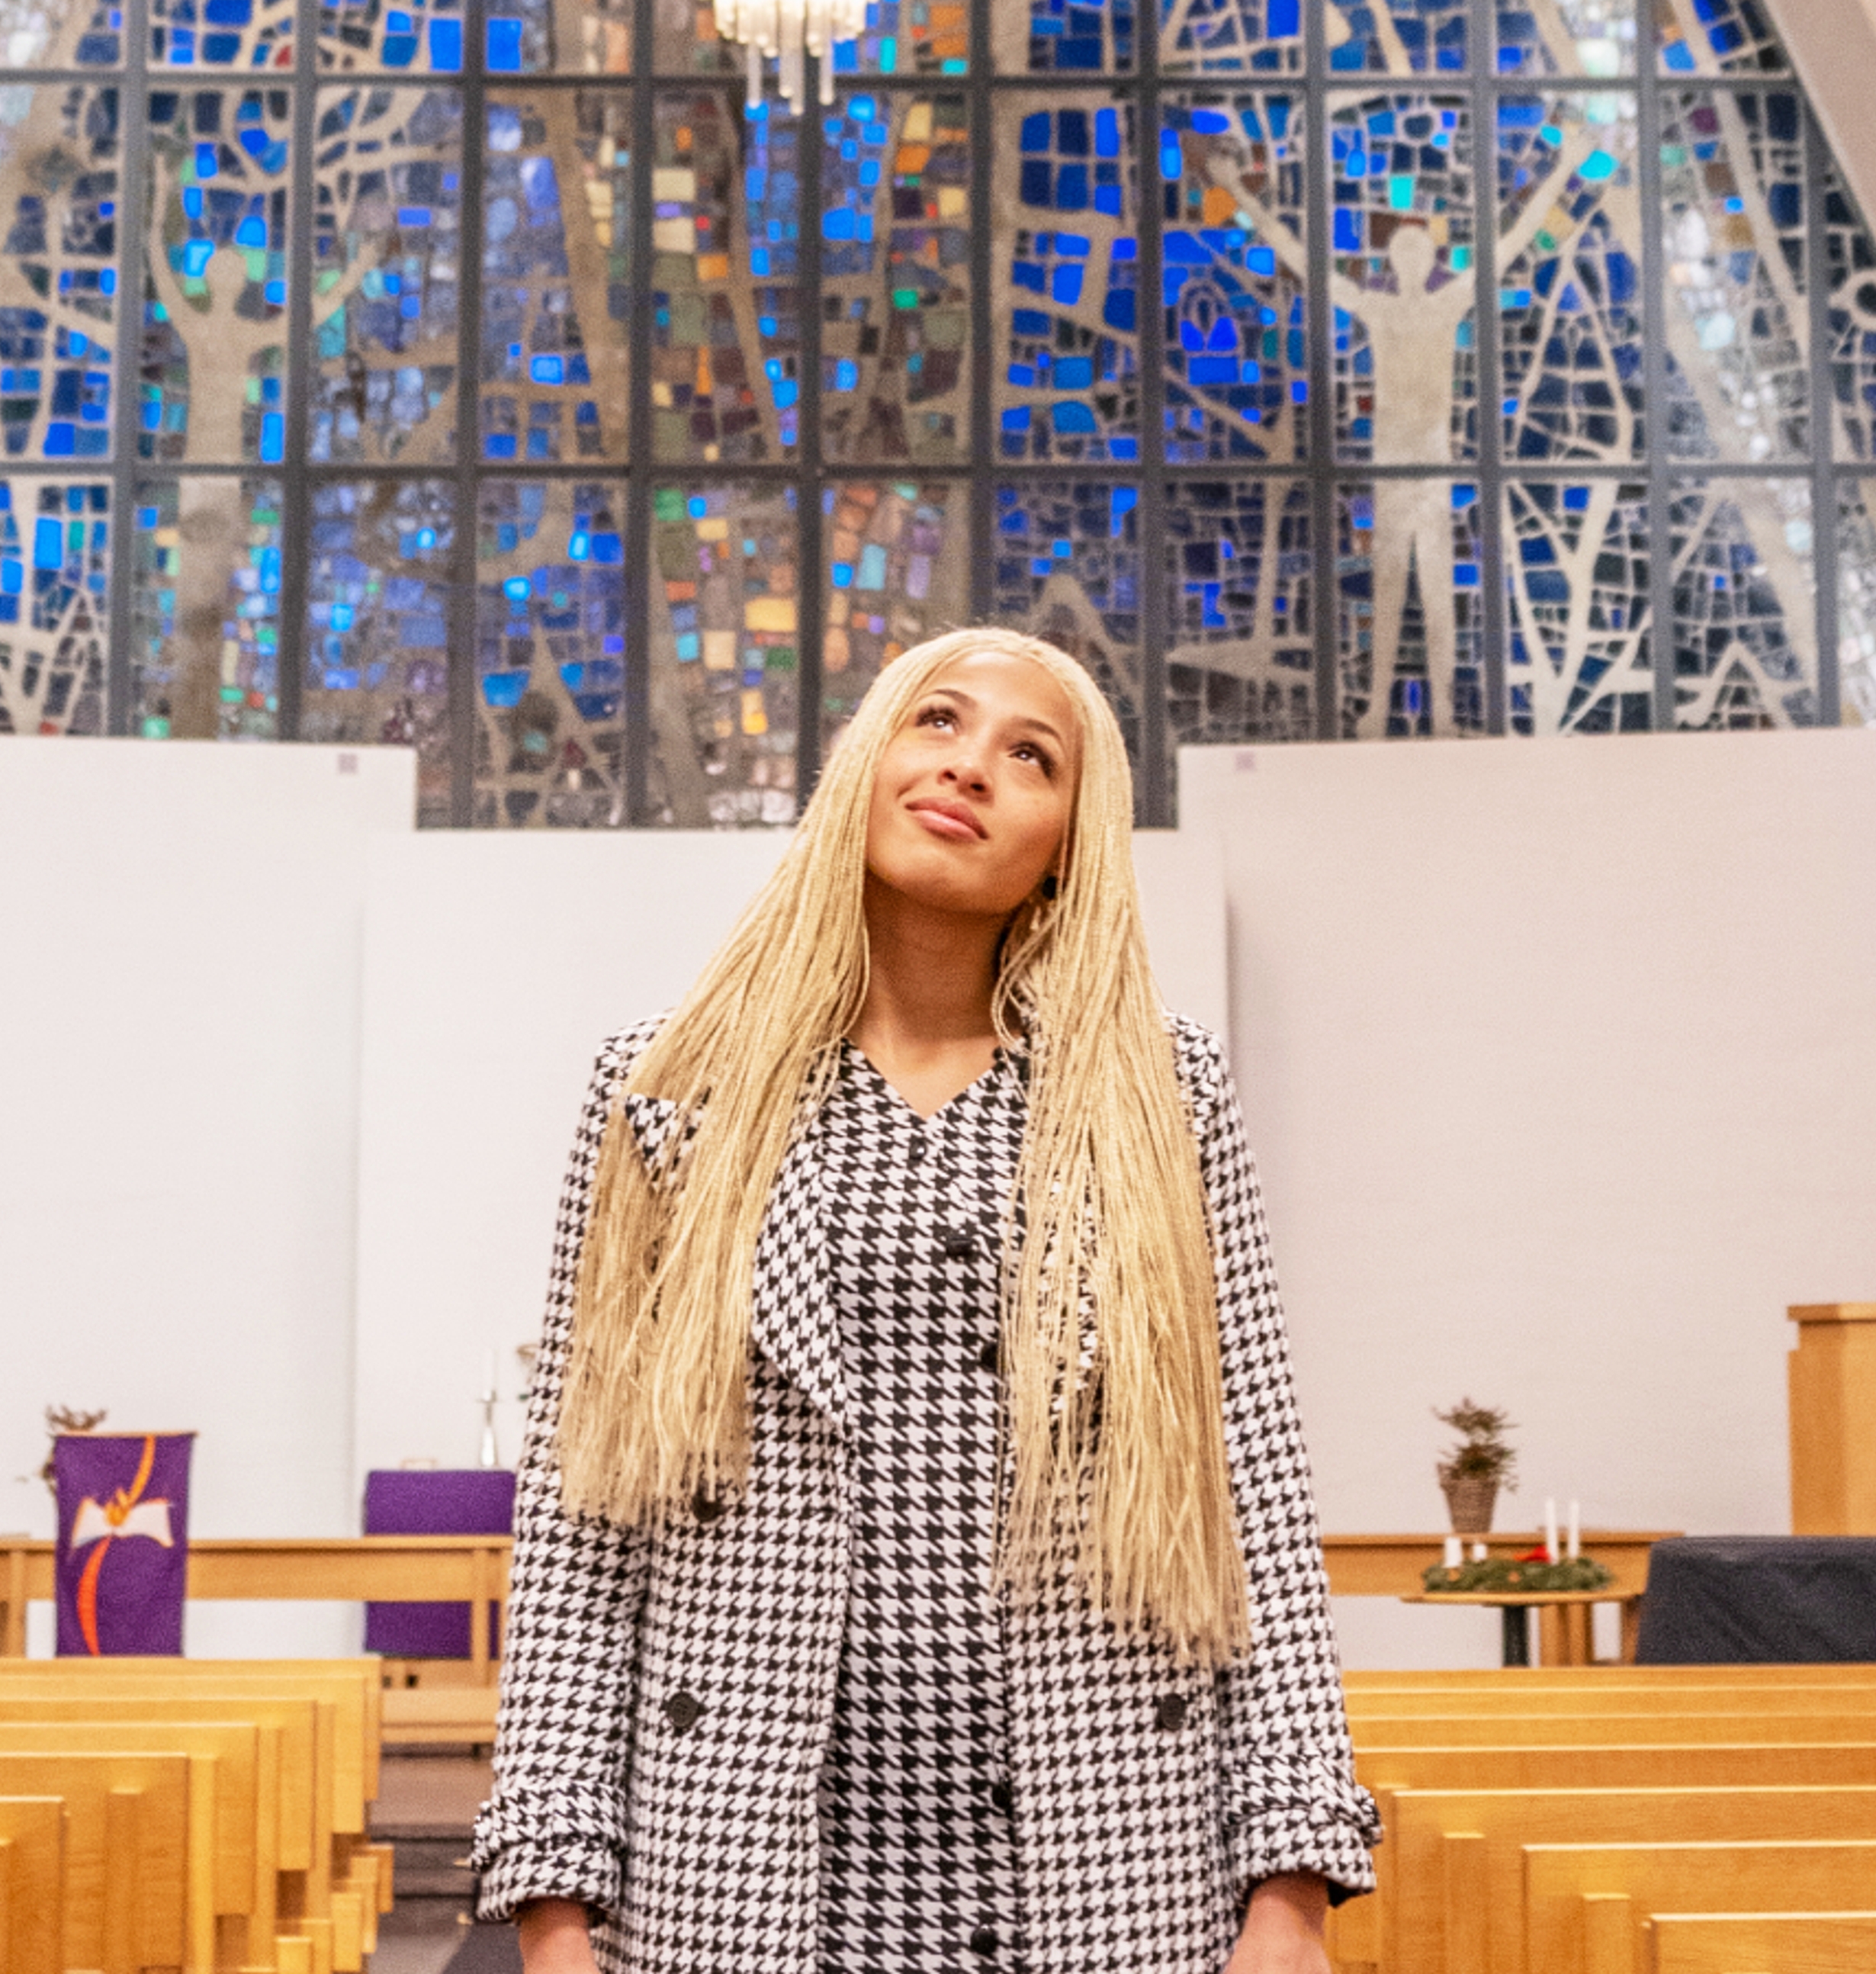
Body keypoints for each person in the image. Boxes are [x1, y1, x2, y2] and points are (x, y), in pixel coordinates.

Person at [473, 627, 1379, 1974]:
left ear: (1072, 839)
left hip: (1103, 1841)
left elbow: (1249, 1479)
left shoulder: (1158, 1095)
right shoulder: (669, 1091)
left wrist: (1292, 1886)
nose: (972, 767)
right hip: (743, 1856)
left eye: (1031, 756)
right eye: (938, 723)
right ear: (866, 765)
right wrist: (553, 1906)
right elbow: (580, 1522)